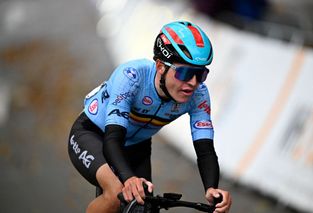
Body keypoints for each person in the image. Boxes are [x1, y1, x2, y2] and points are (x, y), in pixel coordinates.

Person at [68, 21, 232, 213]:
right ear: (161, 66)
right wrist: (128, 179)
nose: (193, 83)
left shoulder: (198, 95)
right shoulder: (131, 77)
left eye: (201, 74)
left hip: (137, 146)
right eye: (185, 72)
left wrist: (212, 188)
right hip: (94, 134)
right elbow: (113, 138)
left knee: (145, 209)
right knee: (116, 194)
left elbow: (205, 151)